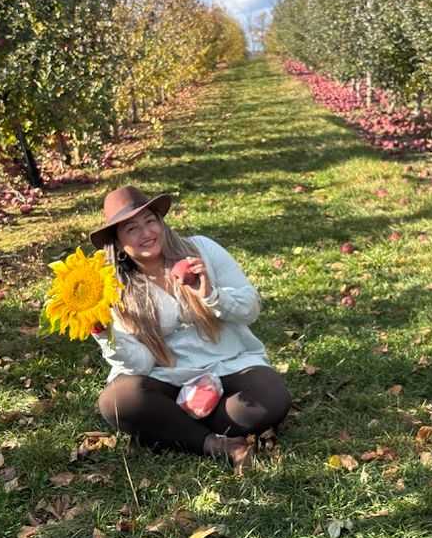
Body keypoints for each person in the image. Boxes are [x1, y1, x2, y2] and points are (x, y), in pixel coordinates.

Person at [89, 185, 291, 462]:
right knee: (116, 401)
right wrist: (104, 334)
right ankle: (213, 444)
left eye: (150, 221)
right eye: (132, 229)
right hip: (168, 378)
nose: (146, 233)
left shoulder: (201, 249)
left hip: (229, 366)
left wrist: (210, 295)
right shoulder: (114, 288)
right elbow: (139, 365)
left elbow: (250, 308)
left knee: (271, 396)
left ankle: (172, 427)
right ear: (118, 243)